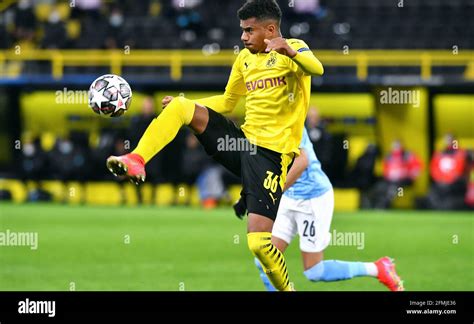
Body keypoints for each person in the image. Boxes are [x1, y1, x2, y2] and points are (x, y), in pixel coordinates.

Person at [106, 0, 324, 291]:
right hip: (242, 144)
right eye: (242, 31)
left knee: (259, 244)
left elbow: (317, 69)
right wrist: (188, 105)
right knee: (182, 106)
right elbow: (227, 102)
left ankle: (287, 290)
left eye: (249, 31)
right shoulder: (244, 60)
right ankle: (137, 159)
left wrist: (291, 51)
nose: (243, 37)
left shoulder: (294, 49)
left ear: (270, 29)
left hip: (271, 157)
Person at [234, 129, 405, 291]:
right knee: (265, 259)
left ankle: (378, 268)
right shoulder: (262, 121)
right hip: (288, 197)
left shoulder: (287, 117)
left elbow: (302, 160)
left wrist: (270, 193)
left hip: (311, 198)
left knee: (314, 271)